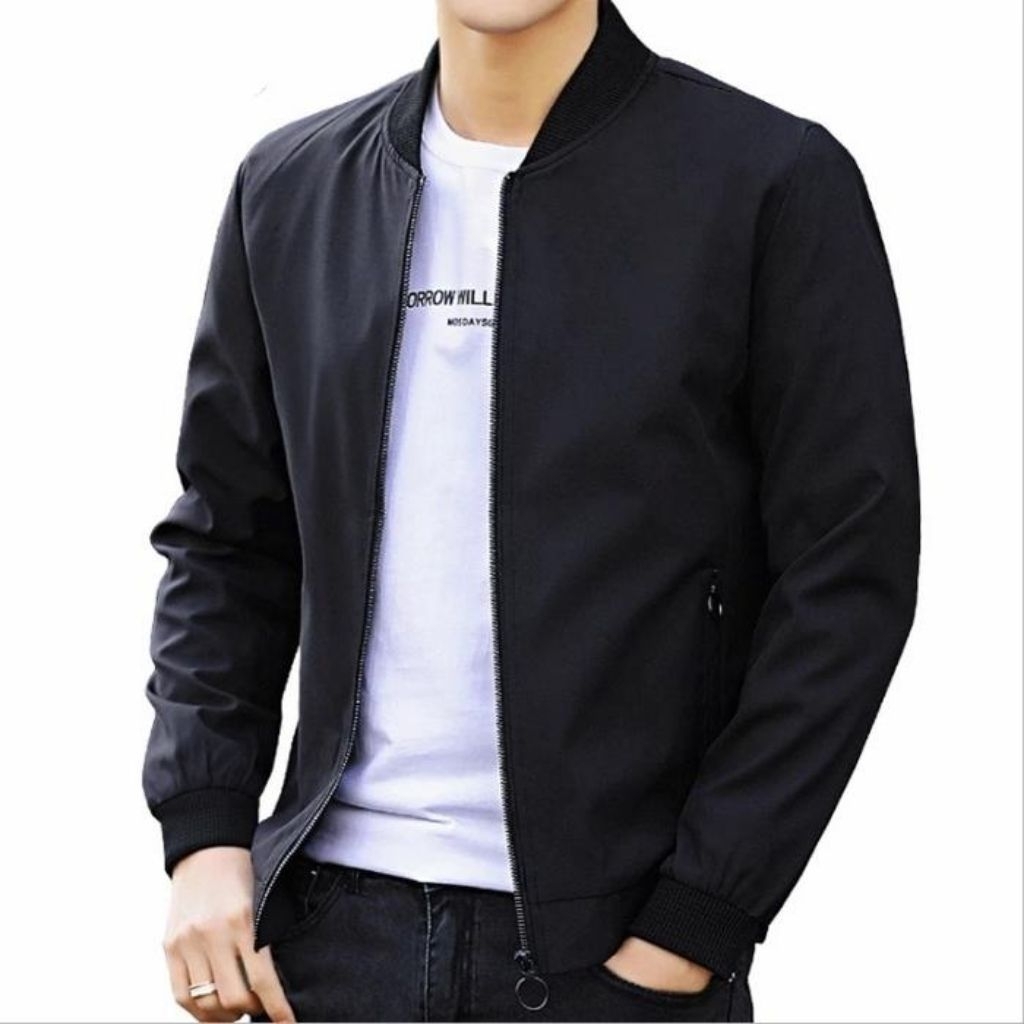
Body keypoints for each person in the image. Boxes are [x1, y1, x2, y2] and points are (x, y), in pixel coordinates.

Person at [140, 0, 920, 1020]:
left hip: (612, 950)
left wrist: (698, 917)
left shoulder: (766, 182)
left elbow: (847, 574)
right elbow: (227, 542)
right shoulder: (291, 187)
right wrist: (204, 836)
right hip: (327, 939)